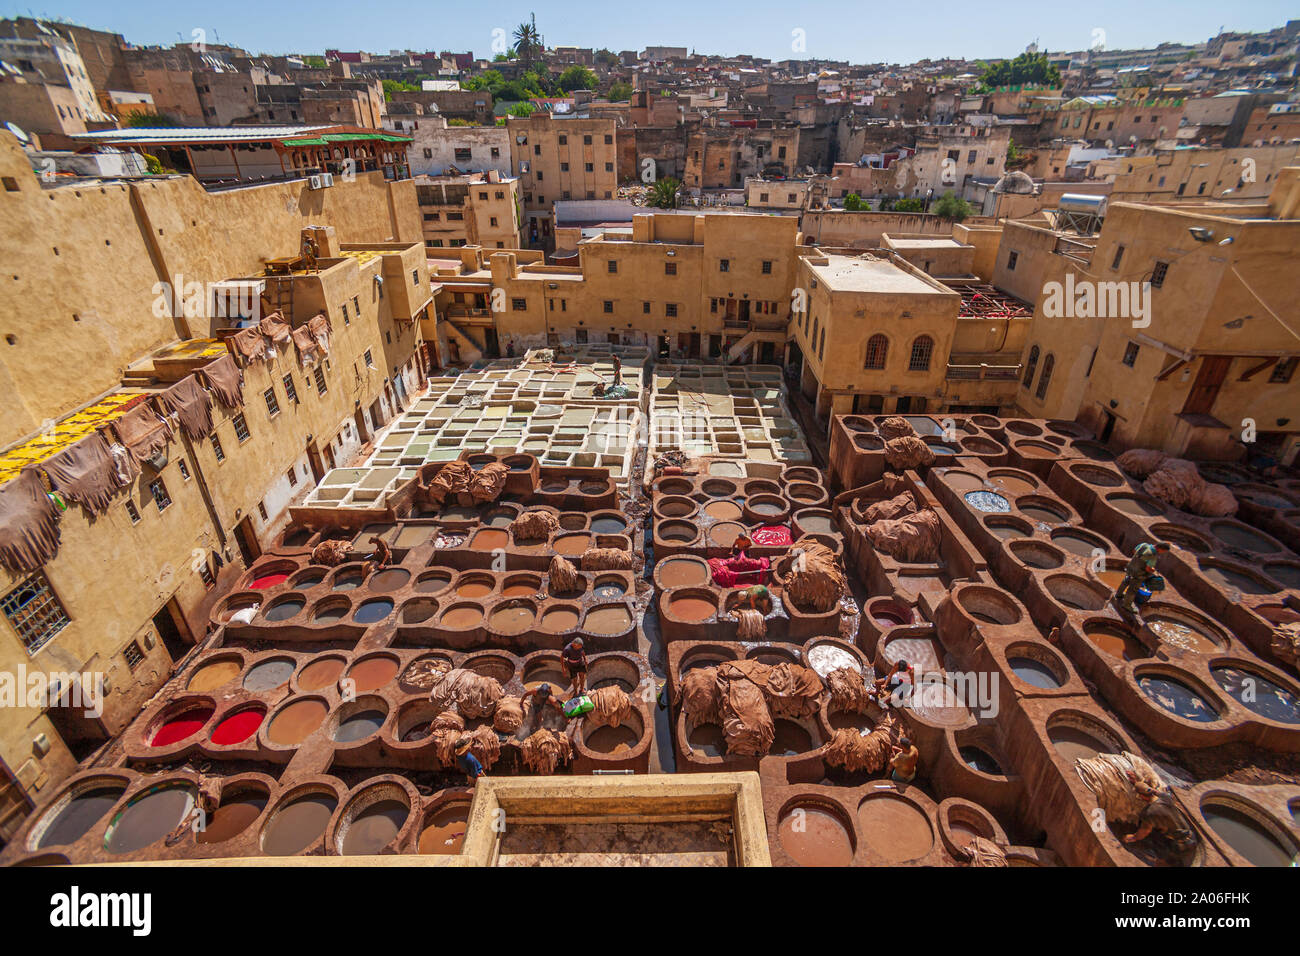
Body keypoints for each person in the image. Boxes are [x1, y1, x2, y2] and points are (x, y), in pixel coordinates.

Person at [1114, 541, 1171, 613]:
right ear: (1161, 549)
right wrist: (1153, 570)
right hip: (1138, 573)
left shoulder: (1144, 545)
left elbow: (1134, 551)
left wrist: (1138, 560)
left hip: (1131, 567)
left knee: (1126, 581)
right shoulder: (1153, 555)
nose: (1162, 553)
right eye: (1163, 551)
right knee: (1132, 589)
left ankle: (1118, 595)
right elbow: (1148, 568)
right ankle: (1126, 605)